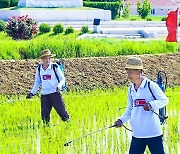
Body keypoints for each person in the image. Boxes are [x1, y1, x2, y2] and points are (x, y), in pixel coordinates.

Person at [114, 57, 168, 154]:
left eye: (130, 72)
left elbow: (164, 100)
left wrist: (151, 105)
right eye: (127, 72)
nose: (128, 75)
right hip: (138, 133)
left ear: (138, 71)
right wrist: (121, 120)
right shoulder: (131, 89)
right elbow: (130, 108)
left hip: (153, 133)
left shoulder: (150, 85)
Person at [26, 49, 69, 124]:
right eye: (45, 58)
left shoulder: (54, 67)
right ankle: (46, 129)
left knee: (63, 113)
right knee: (45, 116)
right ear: (42, 59)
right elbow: (38, 82)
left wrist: (59, 86)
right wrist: (32, 93)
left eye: (49, 58)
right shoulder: (39, 69)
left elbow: (62, 79)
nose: (47, 60)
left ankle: (68, 125)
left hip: (55, 93)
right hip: (45, 95)